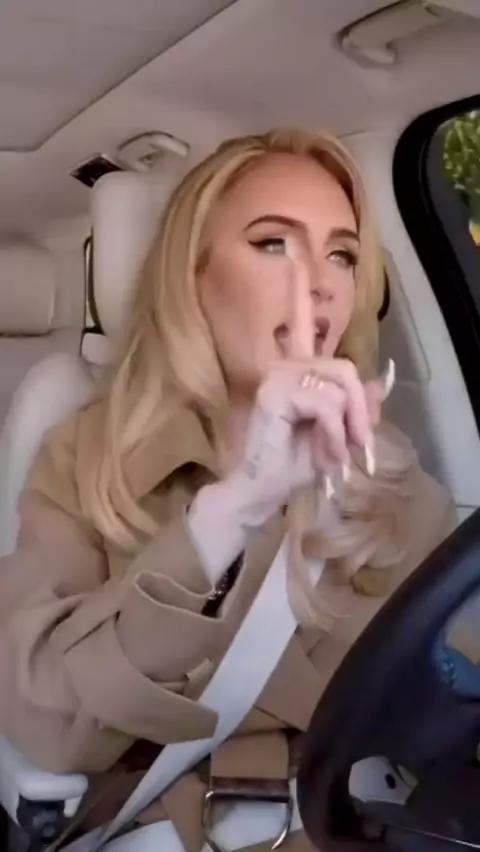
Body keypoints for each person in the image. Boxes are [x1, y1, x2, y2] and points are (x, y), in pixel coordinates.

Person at [0, 128, 455, 850]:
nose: (319, 282)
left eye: (342, 254)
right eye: (274, 244)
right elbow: (45, 723)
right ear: (194, 277)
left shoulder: (392, 472)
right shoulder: (85, 455)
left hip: (361, 822)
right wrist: (231, 510)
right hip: (171, 827)